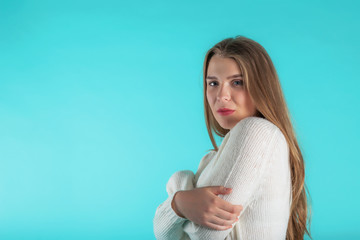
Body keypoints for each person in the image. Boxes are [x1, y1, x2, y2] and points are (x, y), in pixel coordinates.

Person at [153, 35, 312, 240]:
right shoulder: (212, 158)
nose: (221, 96)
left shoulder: (256, 131)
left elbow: (204, 234)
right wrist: (180, 203)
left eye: (237, 82)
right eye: (213, 83)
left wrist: (179, 188)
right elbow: (164, 235)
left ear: (262, 87)